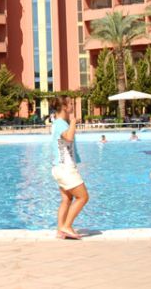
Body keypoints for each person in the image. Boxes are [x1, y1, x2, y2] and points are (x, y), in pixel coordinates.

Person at [51, 96, 88, 240]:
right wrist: (73, 123)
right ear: (65, 107)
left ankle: (60, 229)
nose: (73, 106)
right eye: (70, 104)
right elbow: (68, 137)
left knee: (67, 199)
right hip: (65, 168)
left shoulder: (57, 123)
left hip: (59, 167)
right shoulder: (61, 124)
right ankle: (67, 226)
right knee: (83, 197)